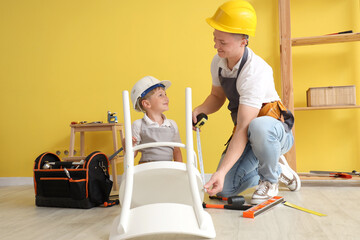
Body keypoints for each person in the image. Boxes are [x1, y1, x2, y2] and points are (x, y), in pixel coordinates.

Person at [192, 0, 300, 205]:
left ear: (243, 41)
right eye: (215, 39)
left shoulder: (255, 71)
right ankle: (276, 169)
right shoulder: (219, 62)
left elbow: (243, 127)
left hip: (274, 132)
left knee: (258, 127)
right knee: (224, 190)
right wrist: (200, 109)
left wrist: (221, 170)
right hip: (250, 134)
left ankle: (270, 179)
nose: (216, 45)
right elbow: (217, 97)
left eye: (222, 42)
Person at [130, 76, 183, 164]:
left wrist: (180, 171)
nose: (166, 98)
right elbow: (133, 153)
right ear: (147, 103)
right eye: (160, 95)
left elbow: (176, 150)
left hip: (167, 168)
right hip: (147, 169)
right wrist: (129, 146)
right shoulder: (138, 125)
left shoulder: (172, 124)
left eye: (165, 94)